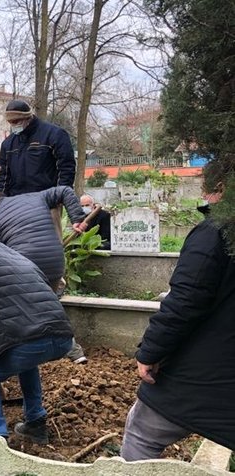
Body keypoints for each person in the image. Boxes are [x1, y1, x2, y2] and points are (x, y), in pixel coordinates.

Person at [120, 159, 235, 459]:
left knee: (142, 433)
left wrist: (150, 352)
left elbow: (186, 299)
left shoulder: (216, 232)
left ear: (217, 188)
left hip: (205, 376)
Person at [0, 239, 74, 443]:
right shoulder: (17, 258)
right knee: (27, 364)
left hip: (27, 339)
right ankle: (36, 423)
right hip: (62, 337)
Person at [0, 187, 89, 363]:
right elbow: (65, 191)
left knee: (21, 307)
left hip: (26, 266)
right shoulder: (37, 196)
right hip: (55, 262)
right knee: (50, 305)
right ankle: (74, 352)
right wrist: (77, 218)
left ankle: (21, 349)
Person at [0, 100, 76, 196]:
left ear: (27, 118)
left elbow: (66, 167)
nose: (13, 125)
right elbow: (4, 176)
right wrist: (0, 200)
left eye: (16, 121)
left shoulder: (54, 135)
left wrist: (60, 195)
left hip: (47, 199)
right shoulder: (8, 144)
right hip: (17, 202)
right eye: (10, 122)